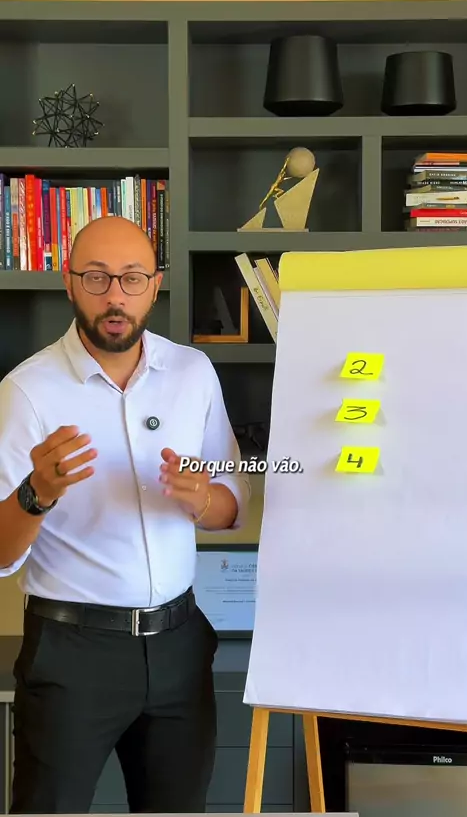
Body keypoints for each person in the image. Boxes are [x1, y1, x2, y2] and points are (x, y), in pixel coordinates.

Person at [0, 215, 251, 815]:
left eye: (132, 278)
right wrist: (37, 492)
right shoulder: (26, 390)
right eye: (97, 277)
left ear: (155, 285)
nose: (115, 296)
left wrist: (202, 500)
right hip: (72, 653)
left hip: (180, 646)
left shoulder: (193, 373)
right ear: (69, 283)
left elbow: (231, 505)